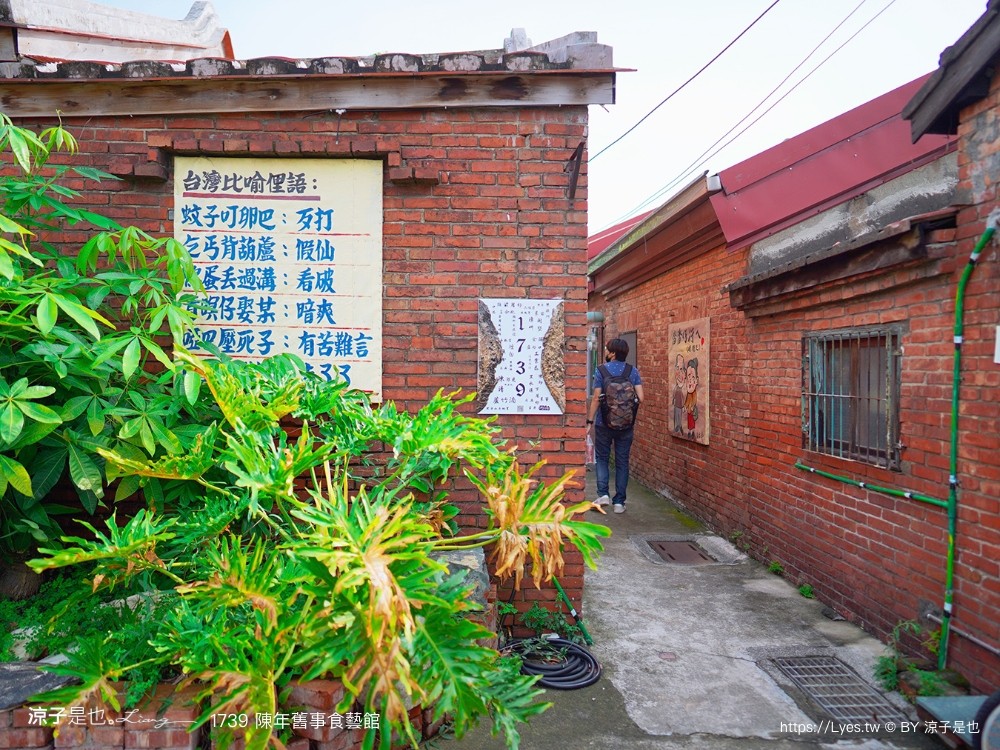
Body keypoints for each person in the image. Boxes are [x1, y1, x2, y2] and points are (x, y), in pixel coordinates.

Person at [586, 338, 644, 513]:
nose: (605, 350)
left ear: (612, 353)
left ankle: (603, 494)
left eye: (606, 349)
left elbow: (596, 398)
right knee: (622, 461)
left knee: (602, 458)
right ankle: (619, 502)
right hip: (626, 425)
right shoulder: (632, 371)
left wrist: (590, 421)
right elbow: (641, 398)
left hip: (604, 423)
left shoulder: (601, 370)